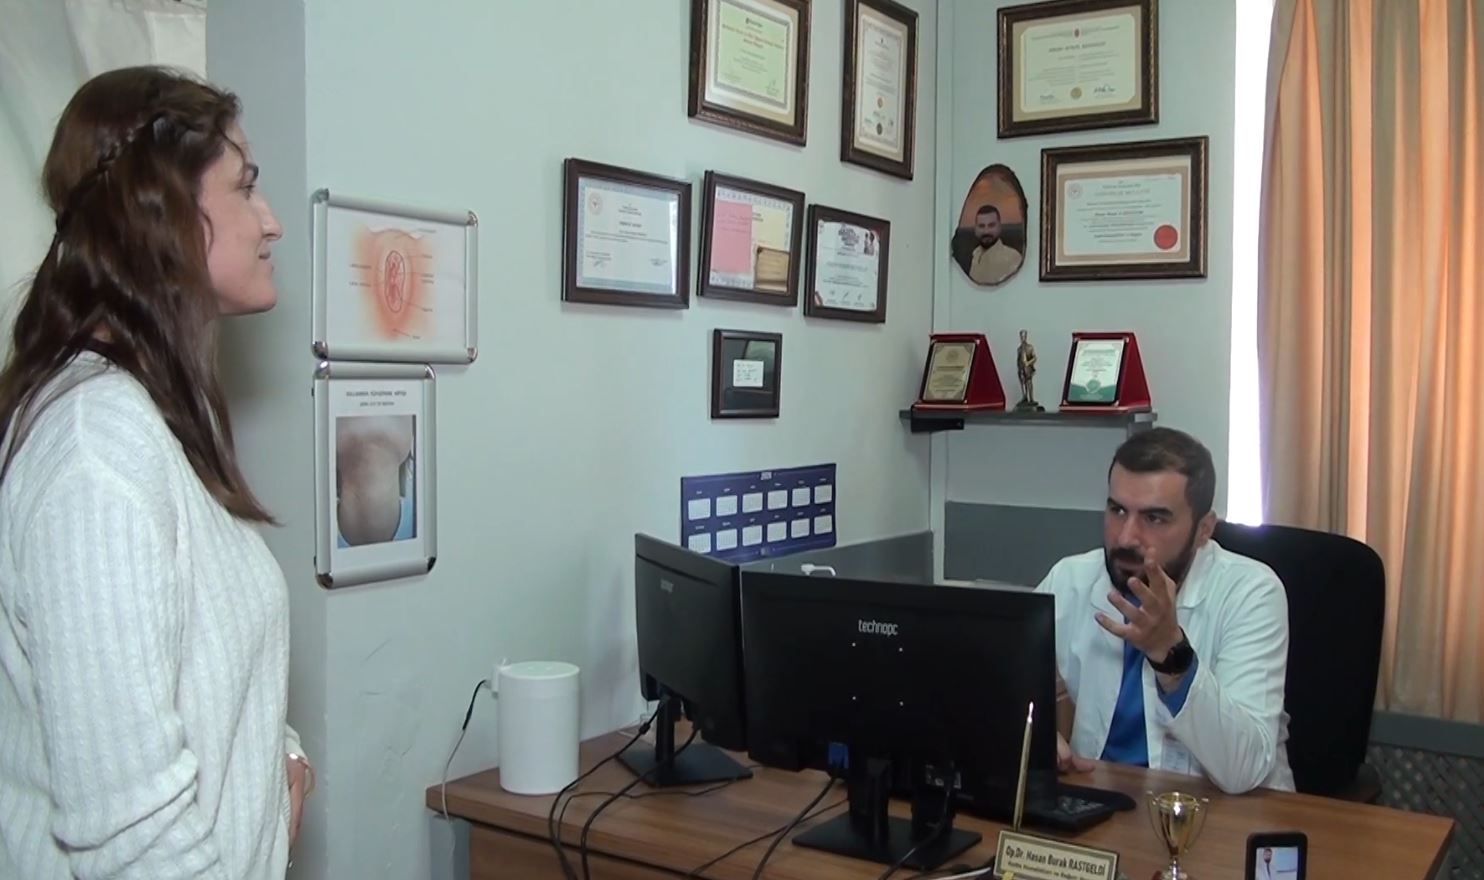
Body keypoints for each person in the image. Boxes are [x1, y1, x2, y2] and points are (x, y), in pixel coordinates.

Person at [0, 66, 310, 879]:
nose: (271, 221)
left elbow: (196, 667)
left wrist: (277, 757)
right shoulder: (97, 448)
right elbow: (128, 834)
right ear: (163, 209)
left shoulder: (152, 417)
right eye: (246, 186)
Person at [1034, 427, 1295, 794]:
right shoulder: (1069, 579)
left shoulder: (1250, 592)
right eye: (1117, 510)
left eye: (1154, 518)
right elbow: (997, 684)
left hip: (1228, 811)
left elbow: (1243, 769)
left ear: (1204, 530)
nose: (1126, 537)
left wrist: (1170, 655)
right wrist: (1033, 735)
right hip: (1099, 800)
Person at [967, 204, 1022, 286]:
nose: (986, 231)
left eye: (991, 225)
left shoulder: (1012, 258)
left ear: (999, 227)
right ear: (975, 229)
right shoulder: (975, 255)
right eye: (981, 226)